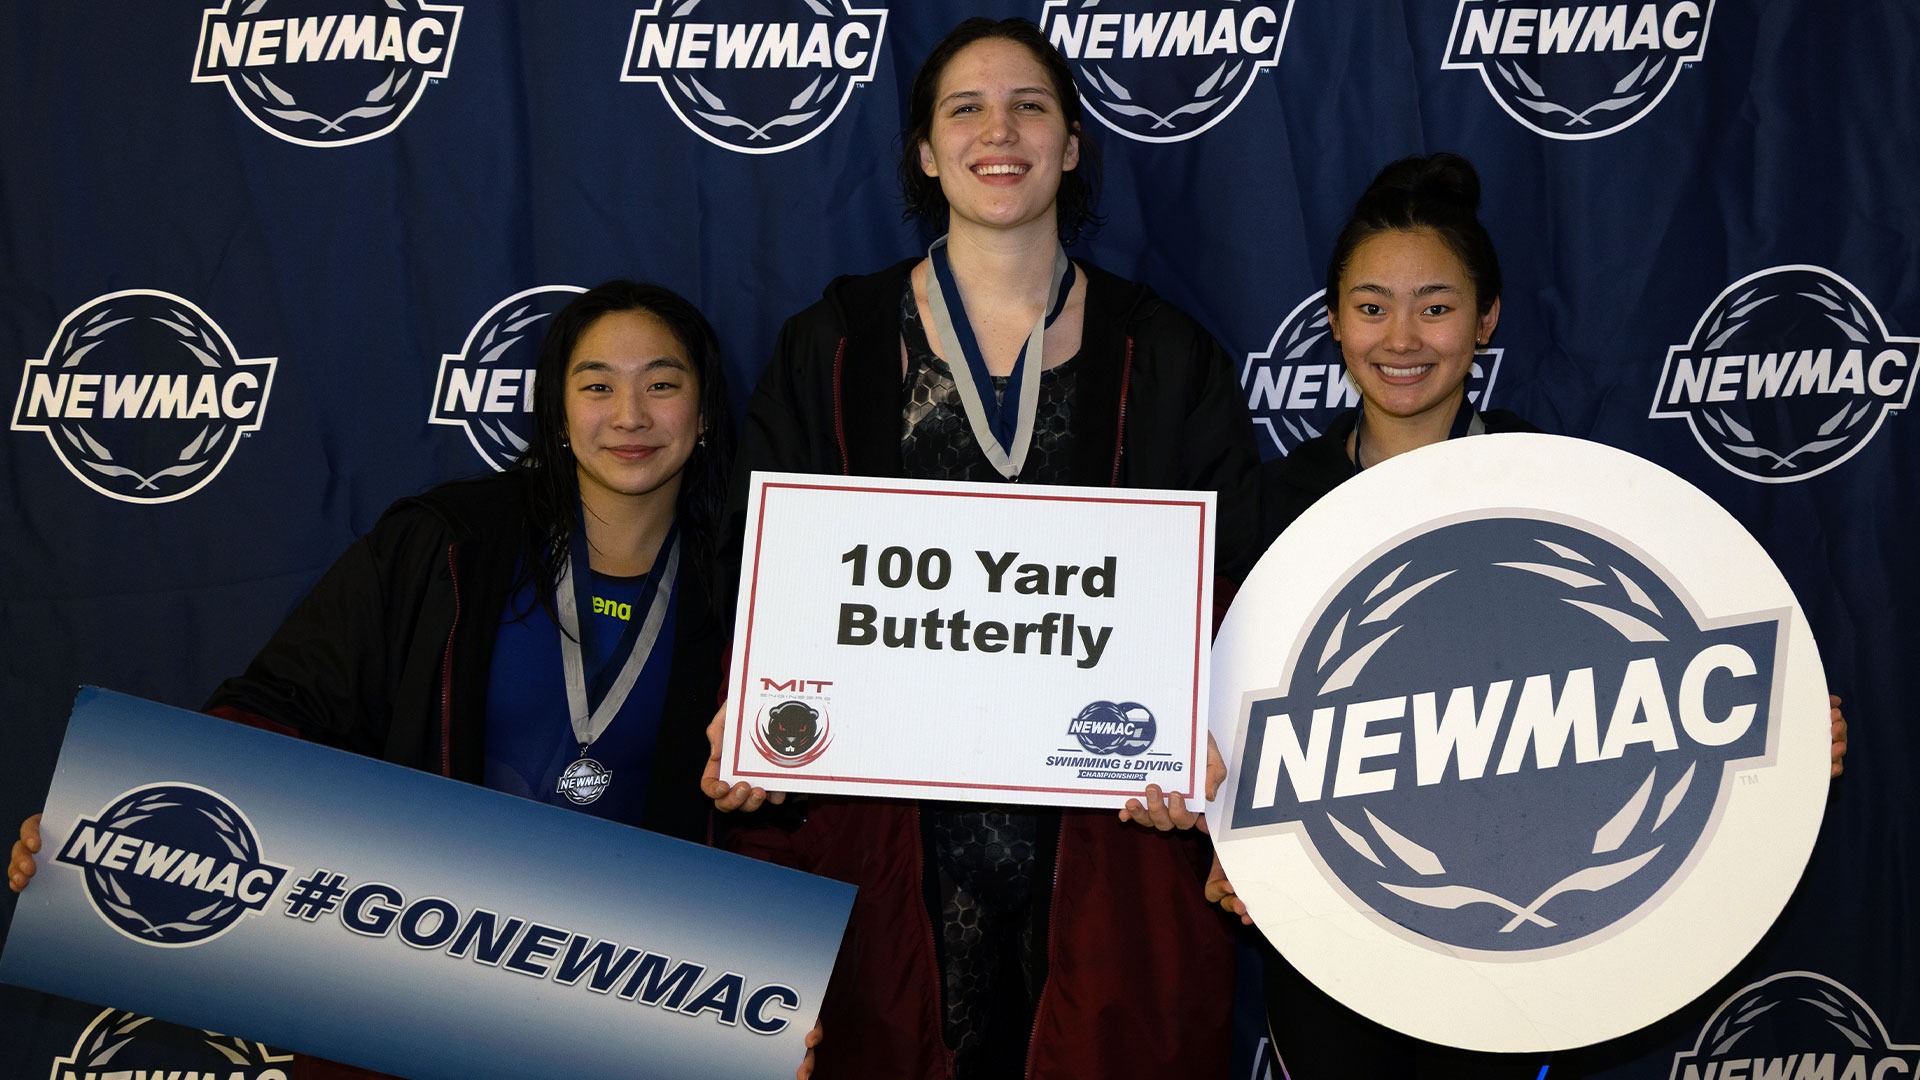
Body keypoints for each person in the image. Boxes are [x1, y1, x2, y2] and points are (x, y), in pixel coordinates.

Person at [1198, 152, 1850, 1079]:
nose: (1402, 337)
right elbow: (1220, 732)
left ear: (1486, 319)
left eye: (1437, 305)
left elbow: (1666, 690)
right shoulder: (1267, 509)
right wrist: (1234, 844)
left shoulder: (1558, 488)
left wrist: (1777, 732)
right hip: (1334, 961)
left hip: (1522, 971)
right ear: (1334, 321)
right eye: (1372, 305)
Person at [12, 280, 769, 1076]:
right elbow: (284, 704)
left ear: (705, 409)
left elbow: (801, 823)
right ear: (556, 407)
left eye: (661, 383)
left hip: (630, 1001)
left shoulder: (751, 583)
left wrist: (771, 1004)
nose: (629, 416)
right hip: (409, 966)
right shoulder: (446, 545)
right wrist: (114, 828)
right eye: (595, 386)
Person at [701, 17, 1256, 1080]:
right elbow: (757, 565)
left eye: (1030, 106)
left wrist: (1202, 736)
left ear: (1074, 143)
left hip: (1106, 838)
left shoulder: (1166, 354)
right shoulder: (839, 345)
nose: (998, 131)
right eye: (965, 108)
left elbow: (1232, 583)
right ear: (922, 150)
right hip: (887, 834)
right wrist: (754, 707)